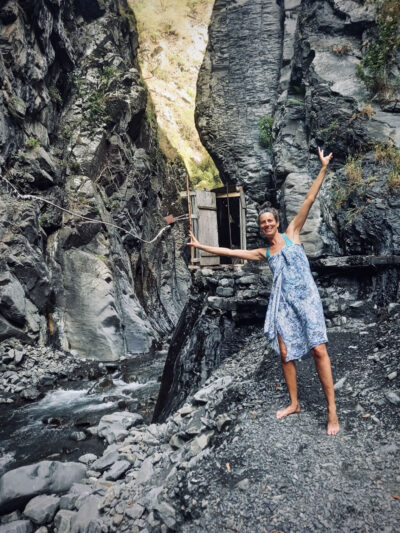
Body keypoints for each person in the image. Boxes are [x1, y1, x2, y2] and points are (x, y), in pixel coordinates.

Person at [187, 147, 340, 435]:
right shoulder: (263, 253)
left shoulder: (293, 233)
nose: (267, 224)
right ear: (260, 227)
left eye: (270, 221)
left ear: (277, 222)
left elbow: (309, 198)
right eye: (262, 223)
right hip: (282, 304)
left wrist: (323, 168)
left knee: (319, 349)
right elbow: (230, 251)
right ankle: (295, 403)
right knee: (285, 354)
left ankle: (331, 409)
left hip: (306, 299)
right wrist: (200, 246)